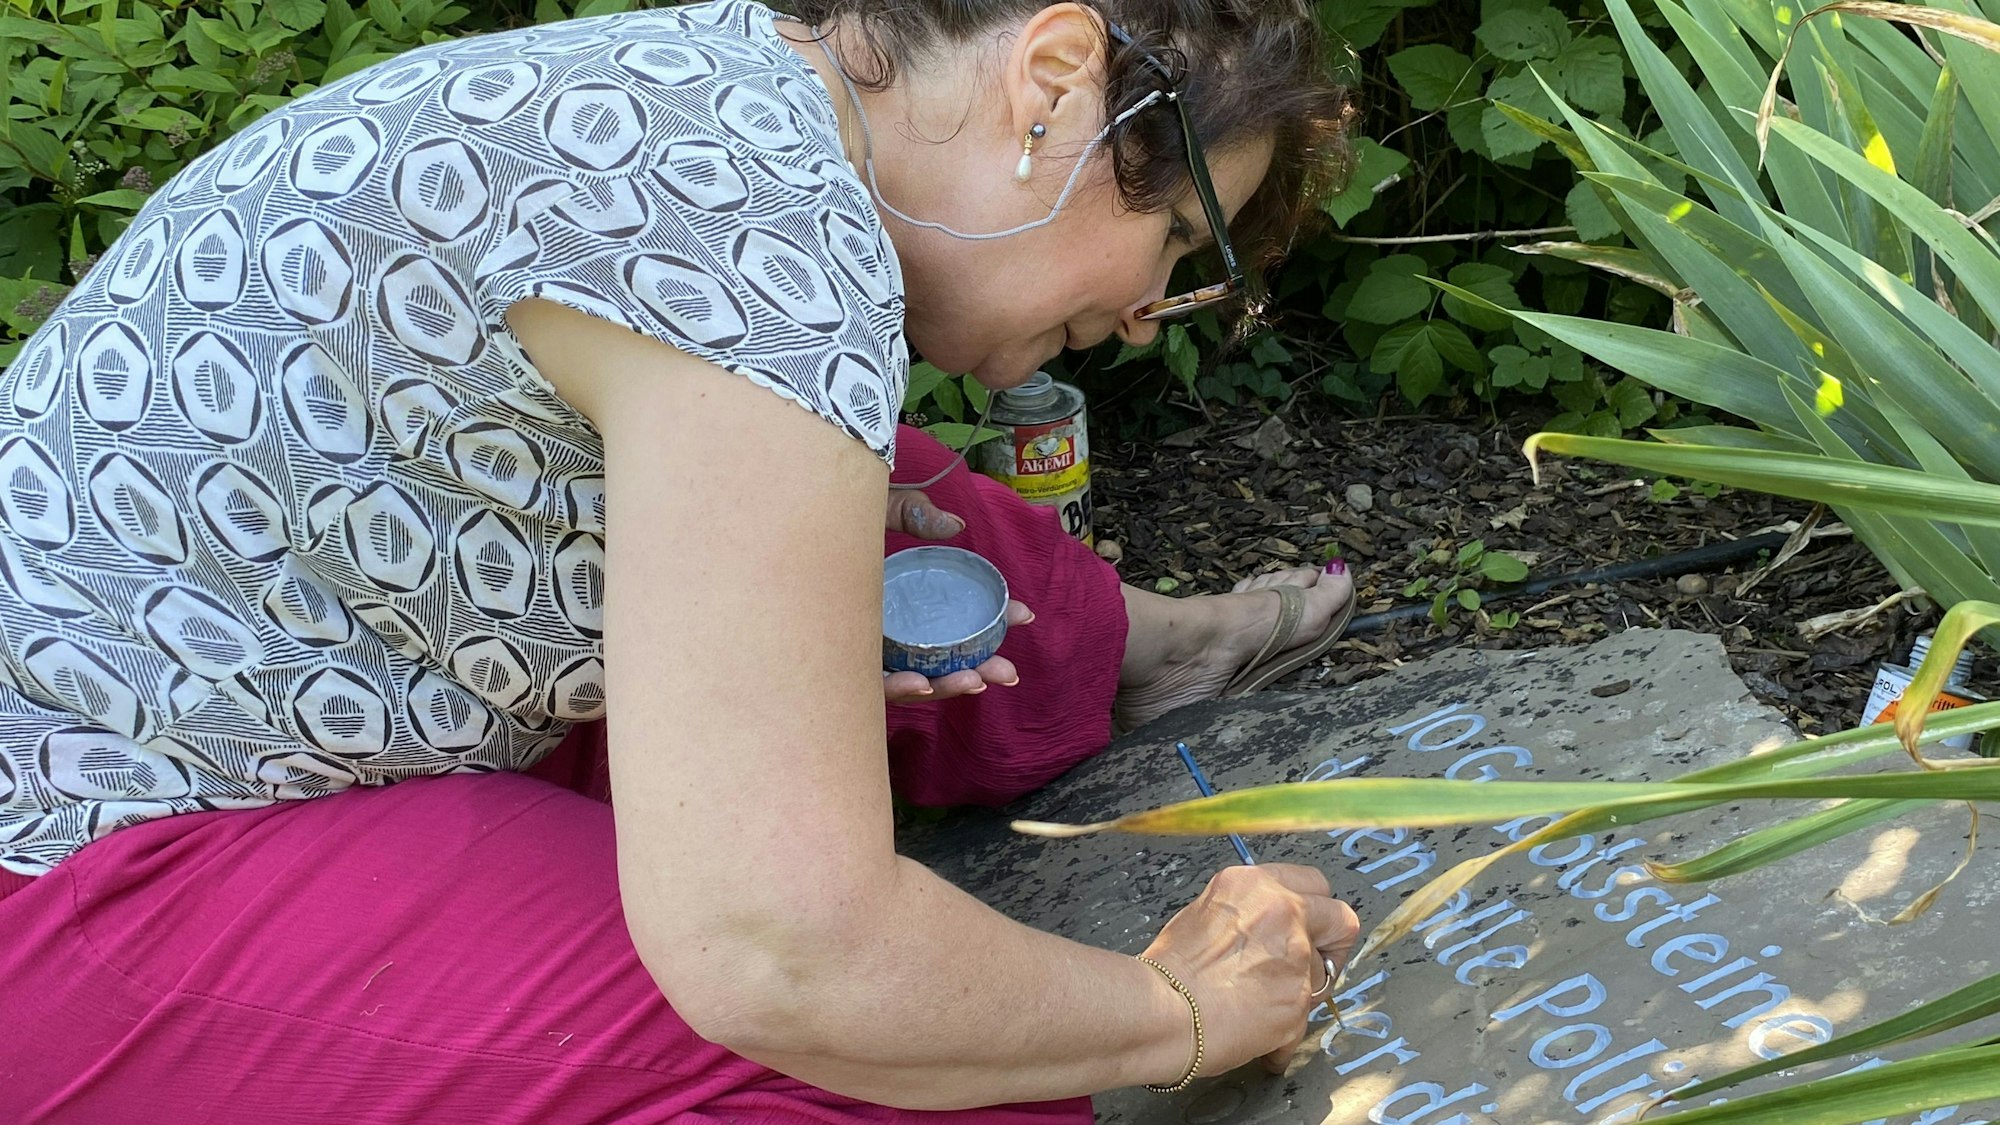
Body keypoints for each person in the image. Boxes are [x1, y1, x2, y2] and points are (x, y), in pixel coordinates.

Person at [0, 1, 1362, 1119]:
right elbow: (784, 961)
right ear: (1054, 83)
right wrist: (1173, 1009)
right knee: (930, 1076)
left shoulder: (737, 90)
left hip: (270, 653)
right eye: (1178, 240)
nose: (1143, 317)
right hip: (83, 856)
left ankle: (1122, 650)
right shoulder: (769, 244)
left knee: (886, 494)